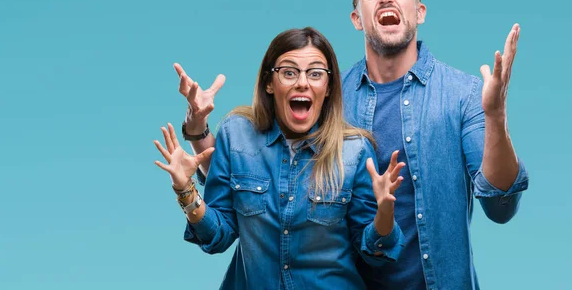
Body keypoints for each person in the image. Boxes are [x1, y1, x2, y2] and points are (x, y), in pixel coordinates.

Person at [174, 0, 529, 290]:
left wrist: (495, 116)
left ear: (419, 10)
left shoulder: (463, 95)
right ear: (357, 18)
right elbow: (264, 178)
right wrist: (197, 131)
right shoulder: (325, 95)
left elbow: (501, 205)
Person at [155, 27, 407, 290]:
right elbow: (217, 236)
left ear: (329, 87)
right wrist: (185, 190)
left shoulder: (354, 151)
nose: (302, 82)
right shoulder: (236, 134)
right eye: (289, 72)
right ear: (269, 83)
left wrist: (385, 214)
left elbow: (374, 252)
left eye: (316, 73)